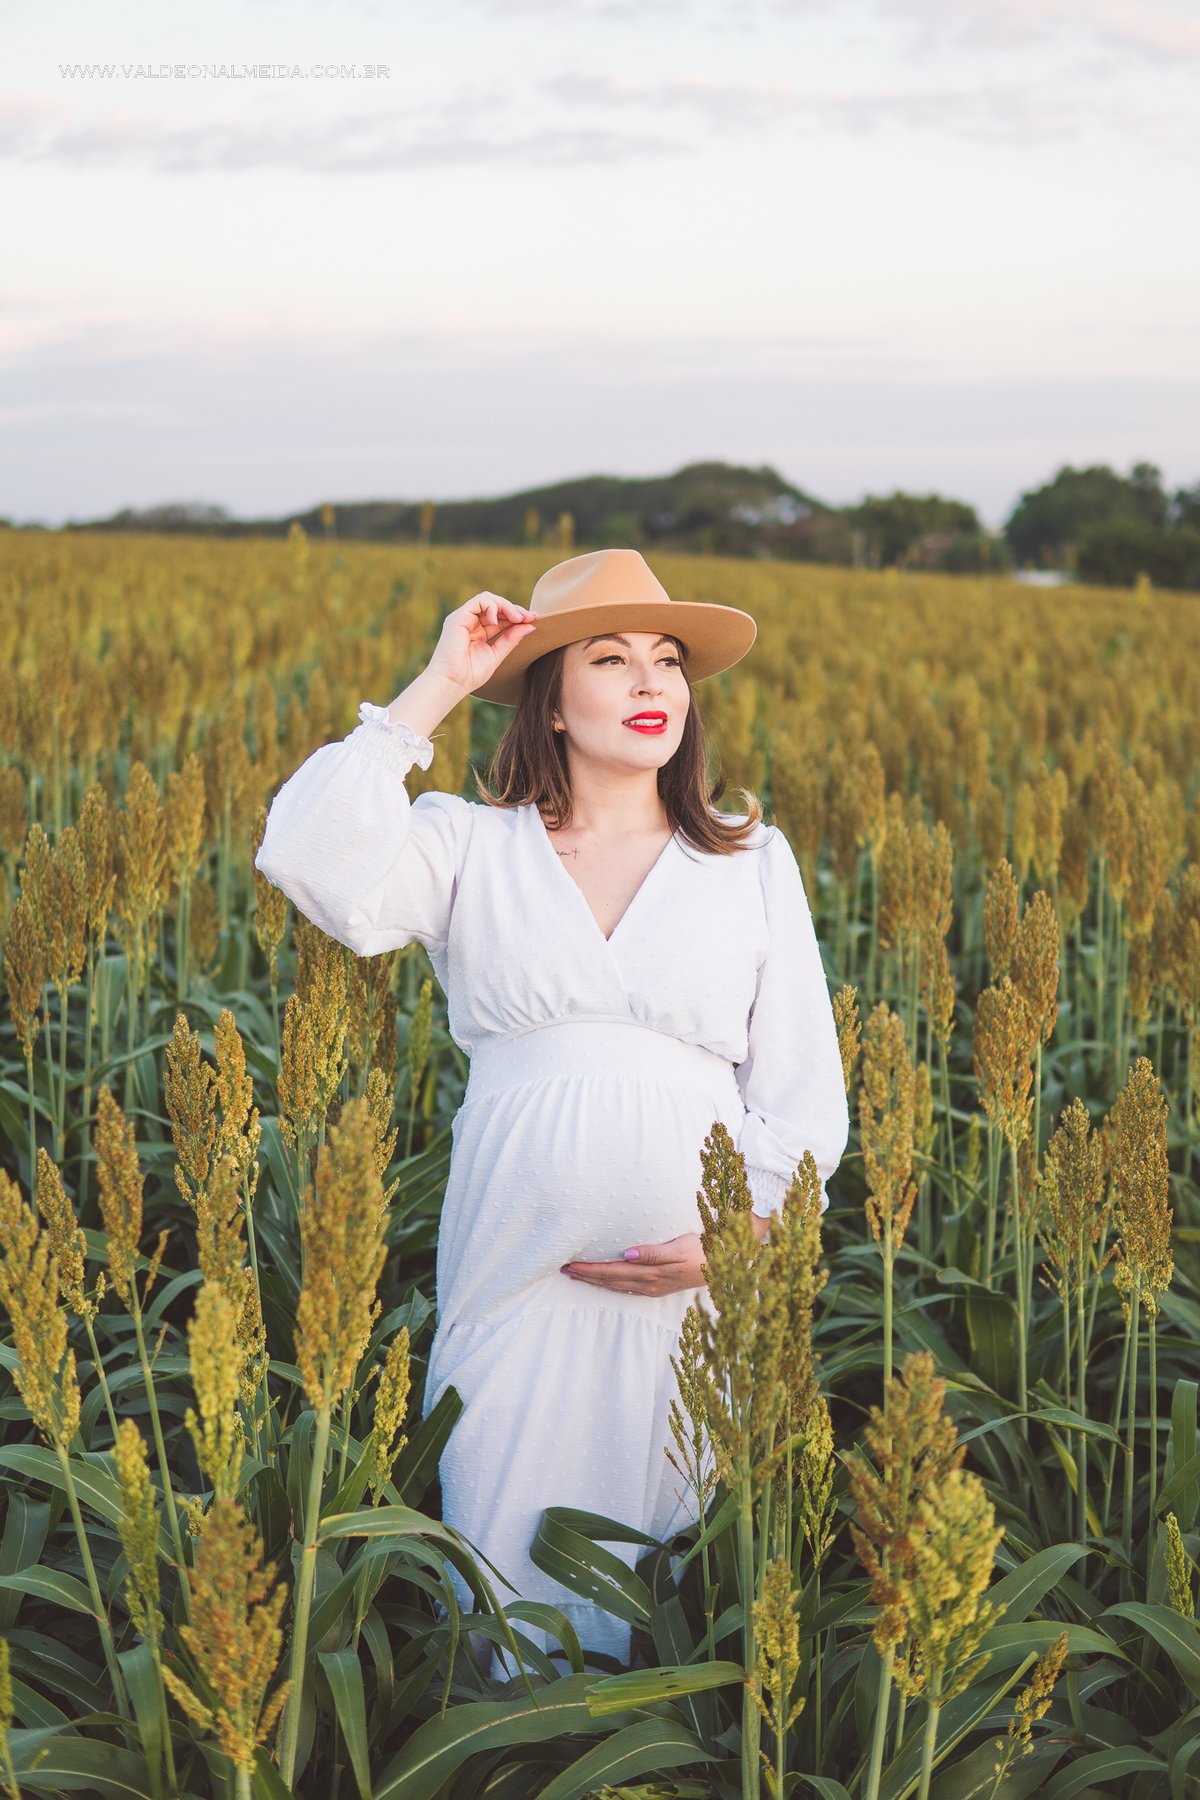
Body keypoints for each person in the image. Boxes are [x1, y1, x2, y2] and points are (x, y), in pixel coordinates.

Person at [256, 547, 848, 1662]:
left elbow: (805, 1094)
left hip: (694, 1285)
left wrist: (741, 1236)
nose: (650, 684)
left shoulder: (749, 860)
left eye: (668, 662)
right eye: (611, 658)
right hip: (516, 1281)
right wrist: (435, 687)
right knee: (502, 1569)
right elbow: (308, 859)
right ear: (551, 701)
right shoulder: (469, 846)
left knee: (663, 1579)